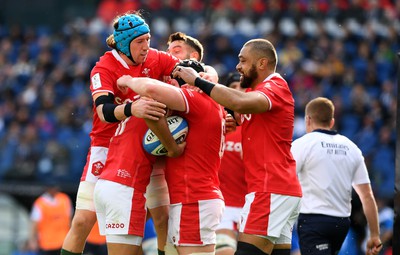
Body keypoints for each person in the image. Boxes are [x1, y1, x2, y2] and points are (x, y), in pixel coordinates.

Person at [61, 11, 180, 255]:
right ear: (125, 43)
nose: (147, 46)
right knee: (83, 221)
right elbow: (104, 111)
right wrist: (131, 108)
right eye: (140, 42)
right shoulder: (103, 68)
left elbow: (185, 69)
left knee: (162, 217)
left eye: (148, 39)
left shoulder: (155, 58)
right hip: (105, 147)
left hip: (144, 147)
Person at [172, 38, 303, 255]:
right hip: (279, 189)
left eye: (242, 61)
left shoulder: (275, 85)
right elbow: (245, 112)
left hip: (269, 188)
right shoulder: (259, 91)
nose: (238, 66)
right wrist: (234, 119)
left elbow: (239, 103)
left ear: (261, 63)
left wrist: (198, 82)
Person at [116, 61, 226, 255]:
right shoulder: (213, 103)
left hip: (193, 198)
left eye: (175, 83)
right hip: (196, 197)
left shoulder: (197, 99)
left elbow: (151, 90)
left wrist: (129, 80)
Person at [145, 31, 220, 255]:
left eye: (176, 51)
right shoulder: (164, 75)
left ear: (194, 58)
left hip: (188, 187)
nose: (170, 55)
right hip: (167, 171)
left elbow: (209, 73)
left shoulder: (199, 84)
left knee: (161, 222)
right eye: (168, 51)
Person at [290, 97, 383, 255]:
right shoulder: (352, 148)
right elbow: (367, 196)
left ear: (308, 120)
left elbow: (285, 181)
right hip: (341, 224)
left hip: (313, 221)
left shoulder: (302, 144)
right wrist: (374, 234)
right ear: (331, 122)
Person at [215, 72, 247, 255]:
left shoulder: (258, 128)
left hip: (250, 207)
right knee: (224, 251)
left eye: (242, 87)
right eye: (233, 88)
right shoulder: (217, 124)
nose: (238, 92)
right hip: (222, 207)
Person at [28, 183, 73, 255]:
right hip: (46, 243)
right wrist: (33, 240)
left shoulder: (64, 199)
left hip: (63, 242)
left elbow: (70, 220)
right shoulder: (40, 203)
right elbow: (34, 224)